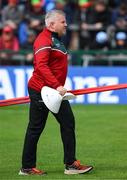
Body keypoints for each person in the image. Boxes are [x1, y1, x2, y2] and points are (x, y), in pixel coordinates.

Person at [19, 9, 93, 176]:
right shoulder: (44, 40)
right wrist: (57, 85)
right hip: (42, 90)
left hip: (51, 91)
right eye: (62, 21)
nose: (66, 24)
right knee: (36, 128)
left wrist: (56, 86)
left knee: (67, 122)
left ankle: (70, 164)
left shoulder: (55, 39)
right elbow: (41, 66)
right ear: (51, 24)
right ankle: (27, 167)